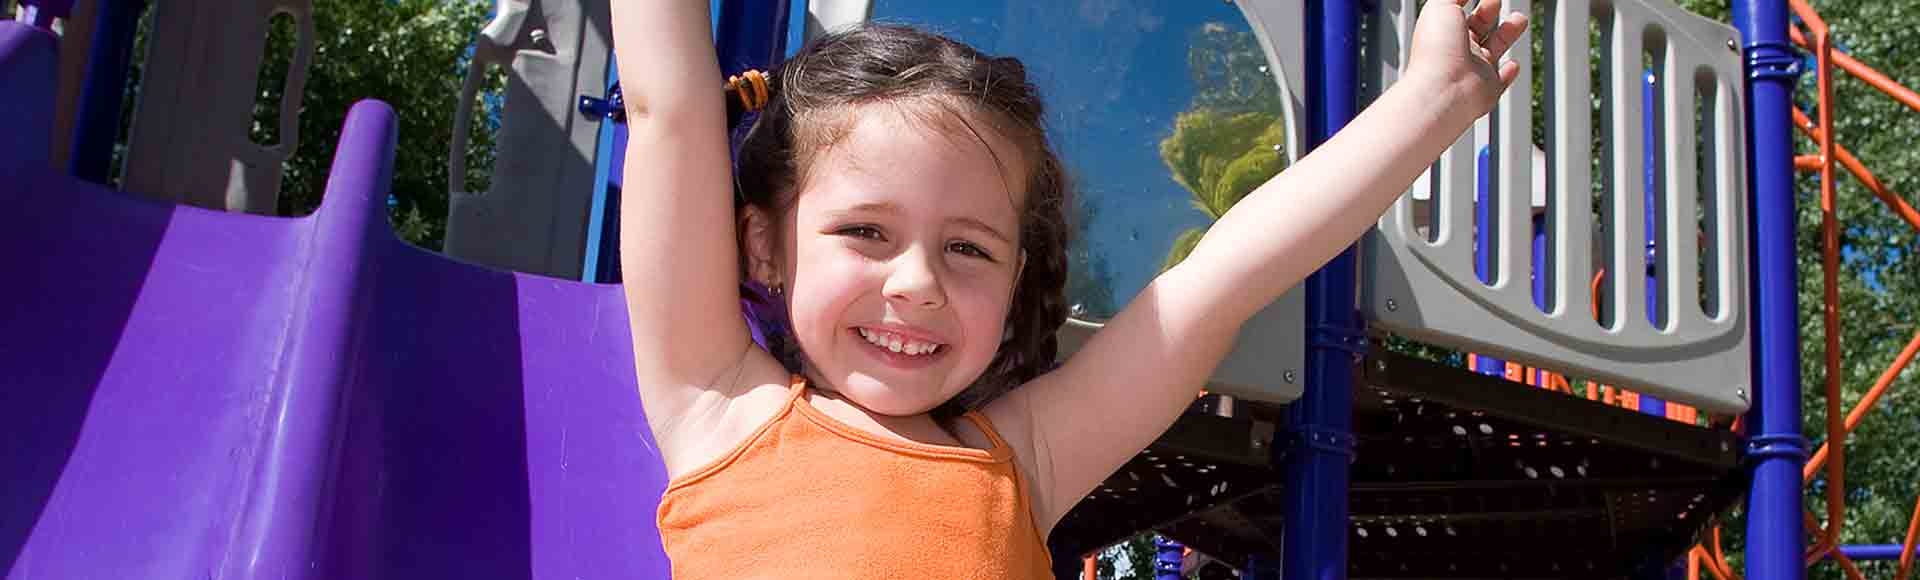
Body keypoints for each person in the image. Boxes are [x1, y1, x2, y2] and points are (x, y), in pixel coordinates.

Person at [610, 1, 1527, 577]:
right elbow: (670, 110)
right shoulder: (721, 406)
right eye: (865, 232)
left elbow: (1224, 275)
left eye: (968, 249)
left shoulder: (1025, 459)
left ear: (1017, 279)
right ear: (763, 244)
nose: (919, 282)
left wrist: (1432, 99)